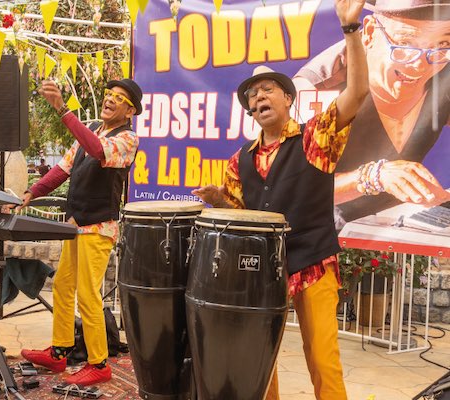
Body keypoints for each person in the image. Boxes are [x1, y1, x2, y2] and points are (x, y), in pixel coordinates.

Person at [191, 0, 369, 398]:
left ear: (288, 98)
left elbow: (357, 92)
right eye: (252, 98)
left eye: (267, 90)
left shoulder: (314, 137)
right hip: (264, 269)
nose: (258, 100)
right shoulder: (241, 160)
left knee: (322, 360)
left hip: (313, 261)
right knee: (259, 359)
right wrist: (219, 199)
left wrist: (351, 28)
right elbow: (241, 217)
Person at [13, 78, 143, 386]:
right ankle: (60, 351)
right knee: (62, 286)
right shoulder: (94, 127)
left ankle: (98, 363)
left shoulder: (128, 139)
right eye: (109, 94)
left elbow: (97, 150)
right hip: (76, 225)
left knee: (87, 295)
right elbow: (62, 169)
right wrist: (33, 192)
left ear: (130, 111)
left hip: (99, 227)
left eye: (119, 98)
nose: (110, 99)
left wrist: (62, 108)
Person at [295, 0, 450, 225]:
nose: (419, 66)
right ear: (368, 33)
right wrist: (372, 177)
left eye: (442, 44)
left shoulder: (443, 65)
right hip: (323, 237)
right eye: (405, 45)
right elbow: (292, 190)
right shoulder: (318, 88)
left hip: (402, 235)